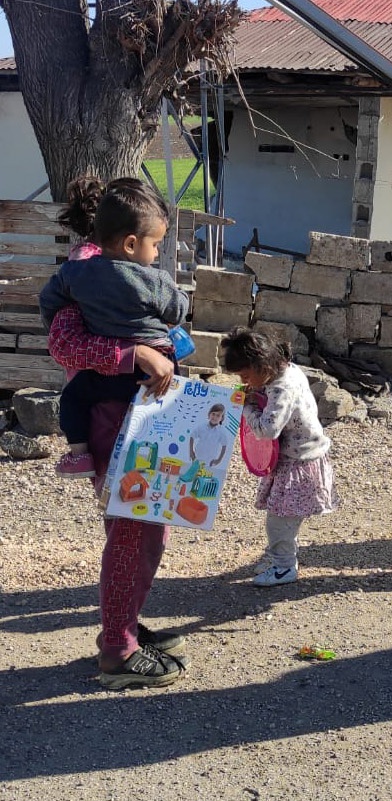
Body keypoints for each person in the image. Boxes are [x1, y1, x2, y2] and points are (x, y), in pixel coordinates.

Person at [46, 182, 188, 689]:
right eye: (154, 244)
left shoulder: (83, 273)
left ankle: (123, 623)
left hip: (140, 417)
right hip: (117, 418)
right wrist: (137, 355)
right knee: (132, 530)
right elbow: (65, 345)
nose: (157, 255)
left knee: (149, 527)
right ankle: (118, 650)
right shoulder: (82, 277)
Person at [39, 179, 188, 479]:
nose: (157, 253)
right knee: (161, 425)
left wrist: (62, 314)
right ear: (131, 244)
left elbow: (48, 300)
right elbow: (179, 309)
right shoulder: (154, 280)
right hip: (156, 367)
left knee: (73, 397)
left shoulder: (76, 271)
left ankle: (79, 455)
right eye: (156, 245)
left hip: (108, 372)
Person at [220, 327, 336, 587]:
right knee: (286, 519)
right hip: (301, 457)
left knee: (279, 521)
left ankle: (284, 568)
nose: (245, 381)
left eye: (245, 375)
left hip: (298, 463)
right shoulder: (288, 370)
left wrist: (247, 407)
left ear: (261, 365)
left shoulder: (281, 388)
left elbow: (267, 430)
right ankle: (283, 558)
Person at [190, 404, 228, 468]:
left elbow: (224, 445)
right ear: (209, 414)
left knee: (204, 475)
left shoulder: (222, 432)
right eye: (213, 414)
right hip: (197, 457)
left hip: (210, 460)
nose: (215, 417)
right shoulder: (202, 426)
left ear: (222, 418)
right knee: (193, 473)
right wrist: (191, 452)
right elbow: (192, 436)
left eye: (218, 415)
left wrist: (219, 460)